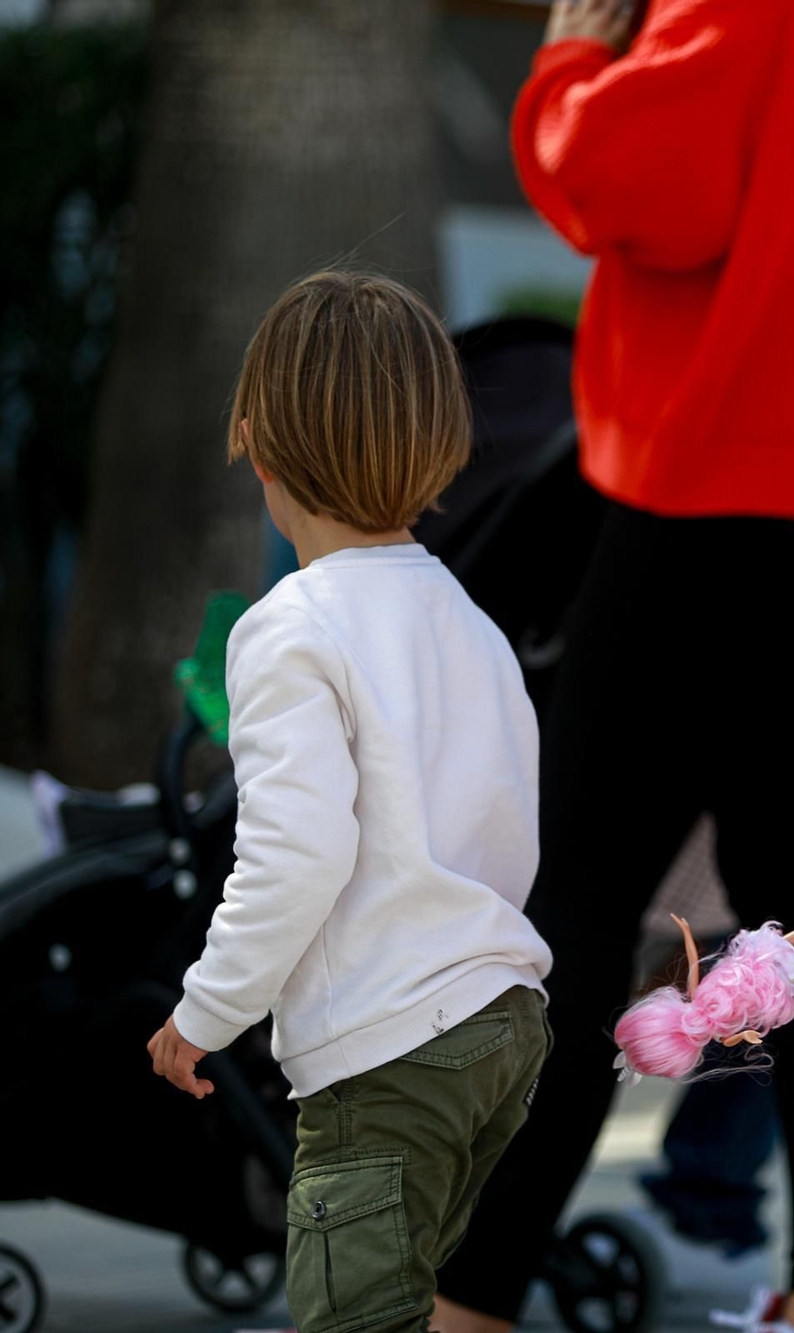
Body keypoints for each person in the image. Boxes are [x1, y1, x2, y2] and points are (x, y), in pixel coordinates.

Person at [430, 2, 794, 1330]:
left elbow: (640, 187)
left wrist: (572, 57)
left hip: (714, 499)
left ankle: (469, 1301)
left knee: (574, 901)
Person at [143, 270, 554, 1333]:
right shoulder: (467, 616)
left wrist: (207, 1009)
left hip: (389, 1048)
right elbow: (509, 814)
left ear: (258, 451)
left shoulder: (287, 630)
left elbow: (291, 854)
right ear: (442, 446)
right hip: (501, 1023)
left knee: (353, 1315)